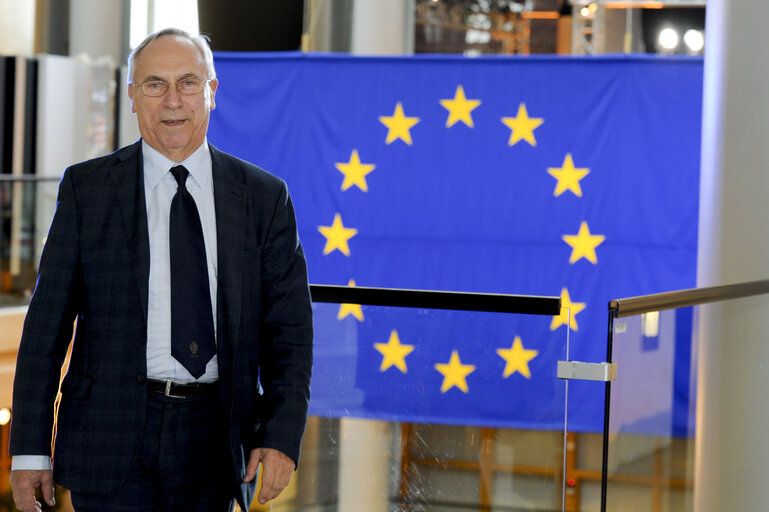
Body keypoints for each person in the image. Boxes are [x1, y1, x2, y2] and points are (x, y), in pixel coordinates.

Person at [9, 28, 313, 512]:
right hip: (108, 437)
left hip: (217, 437)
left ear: (212, 92)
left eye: (189, 82)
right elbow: (45, 332)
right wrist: (28, 450)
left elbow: (290, 335)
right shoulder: (88, 191)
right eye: (154, 84)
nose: (173, 100)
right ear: (132, 96)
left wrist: (279, 437)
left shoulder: (263, 197)